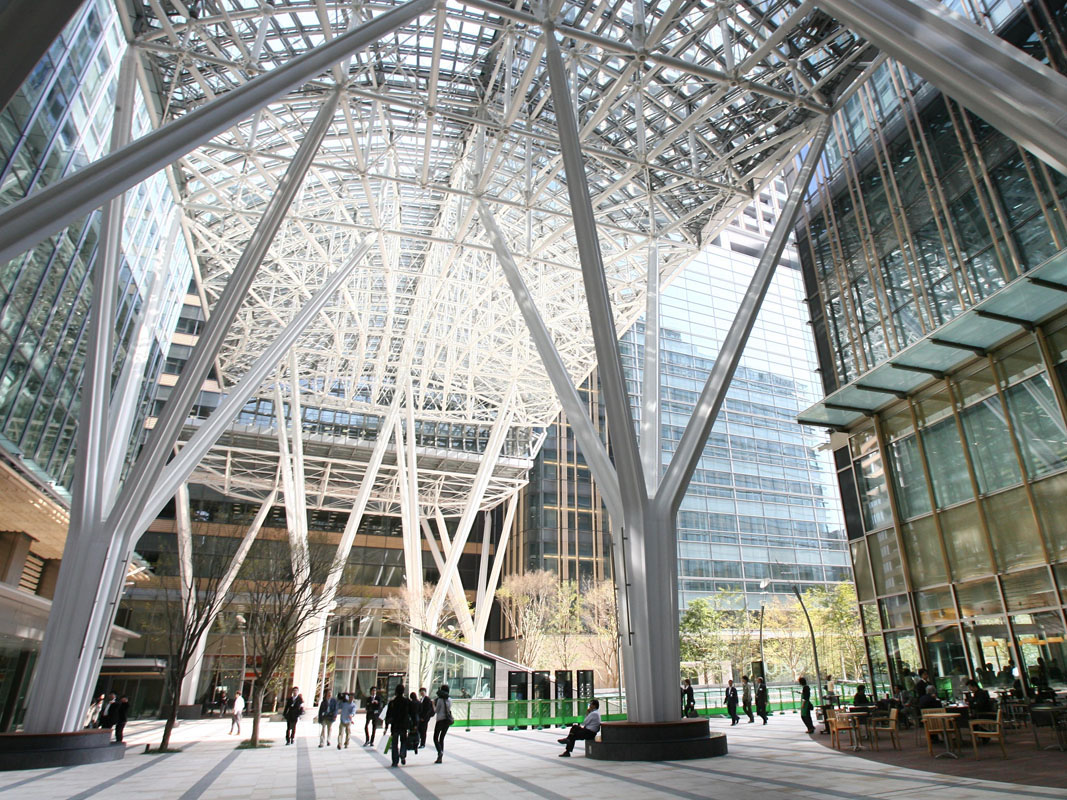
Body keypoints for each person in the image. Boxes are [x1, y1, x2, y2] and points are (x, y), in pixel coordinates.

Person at [385, 684, 411, 767]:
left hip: (395, 725)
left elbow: (388, 715)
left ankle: (395, 760)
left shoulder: (392, 702)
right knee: (403, 741)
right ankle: (403, 753)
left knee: (395, 743)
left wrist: (386, 726)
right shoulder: (406, 701)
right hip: (403, 725)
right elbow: (411, 713)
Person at [433, 684, 453, 764]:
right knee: (442, 738)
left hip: (440, 720)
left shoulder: (440, 700)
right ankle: (440, 756)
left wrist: (433, 704)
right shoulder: (450, 700)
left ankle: (439, 752)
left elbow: (436, 711)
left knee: (435, 738)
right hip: (447, 721)